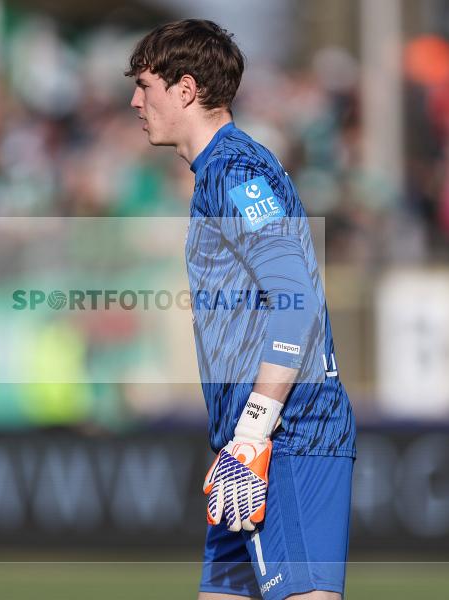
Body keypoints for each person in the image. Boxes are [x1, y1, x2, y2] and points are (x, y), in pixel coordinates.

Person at [126, 20, 357, 600]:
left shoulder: (235, 171)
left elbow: (296, 299)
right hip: (247, 444)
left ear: (183, 90)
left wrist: (255, 430)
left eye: (145, 86)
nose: (135, 101)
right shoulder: (216, 173)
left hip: (287, 435)